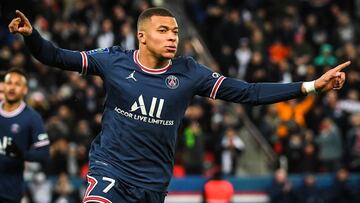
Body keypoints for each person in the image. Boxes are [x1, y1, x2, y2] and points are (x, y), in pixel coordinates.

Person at [8, 7, 349, 203]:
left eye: (175, 31)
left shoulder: (190, 72)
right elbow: (56, 57)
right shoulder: (114, 61)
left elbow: (248, 92)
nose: (173, 37)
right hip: (109, 171)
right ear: (142, 36)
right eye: (163, 31)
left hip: (153, 184)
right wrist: (31, 36)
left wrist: (311, 86)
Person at [0, 68, 50, 203]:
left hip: (9, 191)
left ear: (25, 90)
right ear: (3, 86)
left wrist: (21, 154)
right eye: (9, 83)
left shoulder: (32, 118)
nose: (12, 87)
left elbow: (43, 153)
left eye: (17, 84)